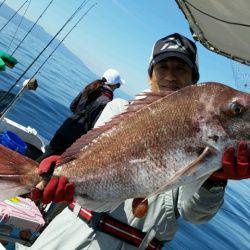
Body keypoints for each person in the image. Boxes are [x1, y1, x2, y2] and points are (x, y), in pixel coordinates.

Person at [25, 33, 249, 250]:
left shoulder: (205, 136)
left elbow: (195, 214)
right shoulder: (118, 109)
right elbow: (88, 157)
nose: (170, 76)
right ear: (150, 74)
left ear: (194, 80)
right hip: (72, 234)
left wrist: (216, 180)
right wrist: (59, 171)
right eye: (162, 67)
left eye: (180, 68)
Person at [37, 68, 124, 162]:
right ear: (114, 85)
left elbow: (72, 106)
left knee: (49, 152)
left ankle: (28, 170)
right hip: (77, 137)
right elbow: (96, 126)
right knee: (56, 161)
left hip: (67, 125)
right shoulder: (107, 102)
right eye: (118, 85)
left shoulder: (90, 88)